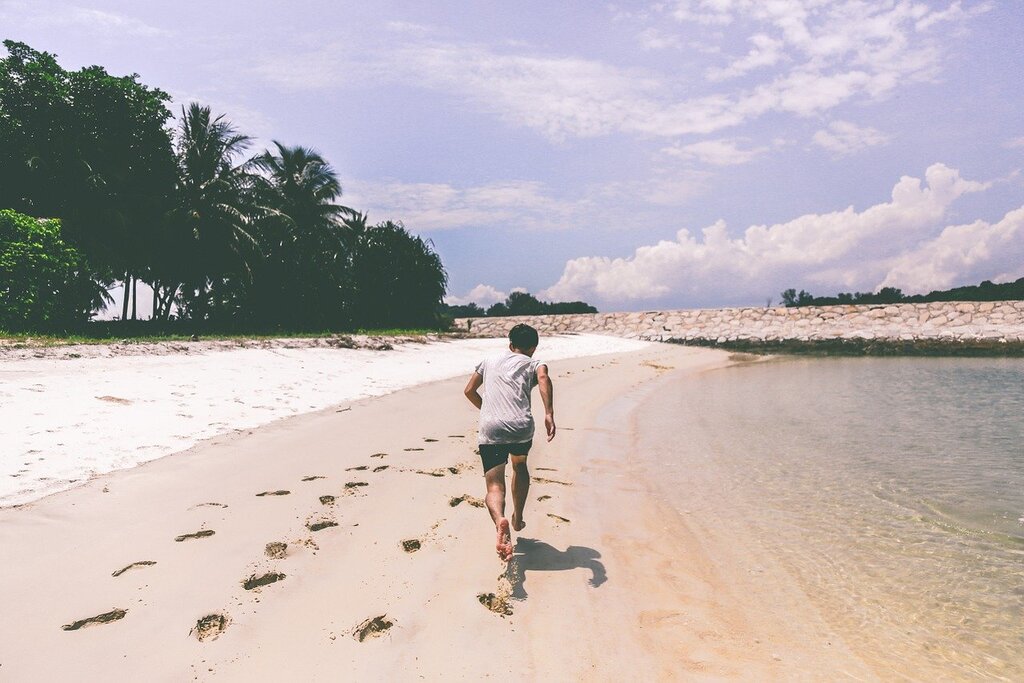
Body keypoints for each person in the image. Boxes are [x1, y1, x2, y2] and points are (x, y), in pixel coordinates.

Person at [464, 323, 555, 562]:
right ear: (534, 347)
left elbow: (469, 390)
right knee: (519, 465)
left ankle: (499, 521)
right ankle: (517, 518)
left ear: (510, 344)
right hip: (520, 427)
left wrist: (489, 411)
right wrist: (549, 413)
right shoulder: (535, 363)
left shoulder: (490, 360)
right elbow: (543, 377)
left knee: (494, 486)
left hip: (492, 429)